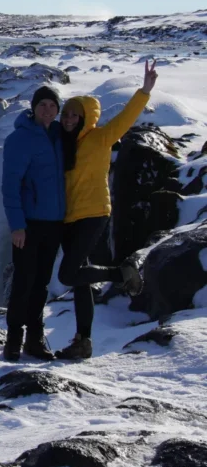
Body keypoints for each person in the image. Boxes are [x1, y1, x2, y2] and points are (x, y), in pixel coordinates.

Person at [55, 60, 158, 360]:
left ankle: (120, 272)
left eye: (75, 114)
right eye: (67, 113)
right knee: (79, 280)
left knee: (68, 273)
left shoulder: (100, 138)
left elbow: (125, 119)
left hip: (94, 212)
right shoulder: (61, 142)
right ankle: (83, 341)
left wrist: (145, 91)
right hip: (67, 218)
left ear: (86, 117)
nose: (69, 118)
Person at [1, 85, 66, 361]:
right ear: (33, 108)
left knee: (41, 282)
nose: (47, 110)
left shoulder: (60, 136)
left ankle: (35, 338)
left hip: (54, 223)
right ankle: (13, 338)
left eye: (52, 105)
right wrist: (17, 225)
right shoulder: (20, 139)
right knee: (24, 280)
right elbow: (10, 184)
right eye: (42, 105)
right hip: (28, 223)